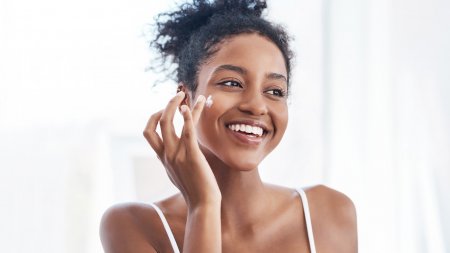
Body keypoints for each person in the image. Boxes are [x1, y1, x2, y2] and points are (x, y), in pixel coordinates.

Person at [100, 0, 357, 252]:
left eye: (275, 90)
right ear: (185, 97)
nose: (256, 106)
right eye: (232, 83)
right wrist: (204, 206)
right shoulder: (133, 225)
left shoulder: (328, 213)